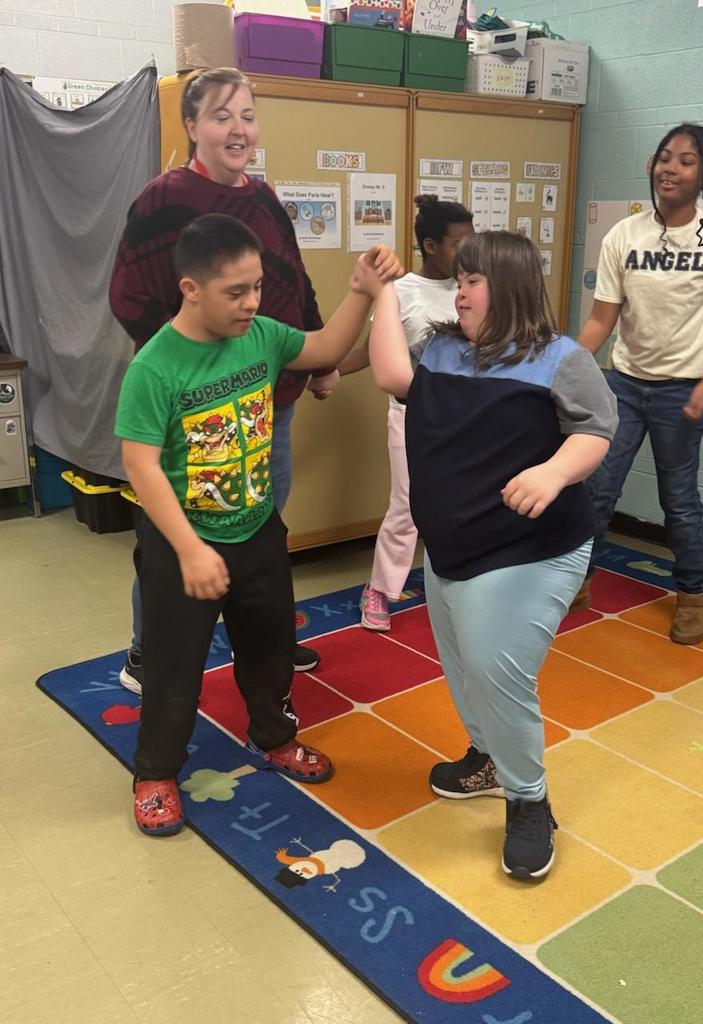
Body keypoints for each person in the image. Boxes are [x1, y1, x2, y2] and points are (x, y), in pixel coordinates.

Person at [115, 214, 400, 836]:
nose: (251, 303)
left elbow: (323, 349)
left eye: (257, 287)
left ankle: (274, 738)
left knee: (270, 650)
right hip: (181, 543)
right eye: (235, 292)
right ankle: (156, 772)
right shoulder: (155, 367)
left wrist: (359, 290)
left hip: (258, 529)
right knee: (174, 667)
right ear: (191, 288)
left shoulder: (263, 335)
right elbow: (140, 464)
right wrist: (189, 549)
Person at [367, 230, 618, 880]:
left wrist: (555, 473)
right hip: (452, 544)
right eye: (460, 279)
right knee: (460, 660)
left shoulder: (560, 358)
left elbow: (596, 428)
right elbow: (393, 375)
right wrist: (379, 294)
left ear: (506, 287)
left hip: (529, 548)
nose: (461, 292)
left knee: (494, 667)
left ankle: (530, 802)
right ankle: (486, 758)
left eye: (472, 281)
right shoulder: (444, 348)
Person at [109, 67, 335, 692]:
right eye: (221, 116)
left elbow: (292, 279)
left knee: (256, 528)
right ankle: (146, 654)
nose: (238, 129)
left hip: (269, 400)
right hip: (196, 413)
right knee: (176, 535)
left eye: (248, 116)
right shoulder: (163, 197)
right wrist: (194, 365)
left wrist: (320, 359)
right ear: (192, 126)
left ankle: (261, 644)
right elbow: (129, 297)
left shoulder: (262, 198)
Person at [576, 124, 703, 644]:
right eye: (664, 158)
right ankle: (575, 581)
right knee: (598, 488)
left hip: (682, 390)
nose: (670, 168)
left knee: (678, 501)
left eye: (686, 161)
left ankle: (693, 596)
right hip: (624, 384)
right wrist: (560, 363)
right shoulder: (624, 236)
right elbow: (601, 320)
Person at [339, 195, 474, 631]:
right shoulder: (401, 291)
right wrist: (323, 372)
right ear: (431, 245)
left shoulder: (471, 288)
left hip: (466, 415)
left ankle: (460, 583)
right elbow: (370, 352)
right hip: (412, 415)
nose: (467, 252)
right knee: (408, 507)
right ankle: (379, 588)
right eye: (459, 243)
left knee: (463, 502)